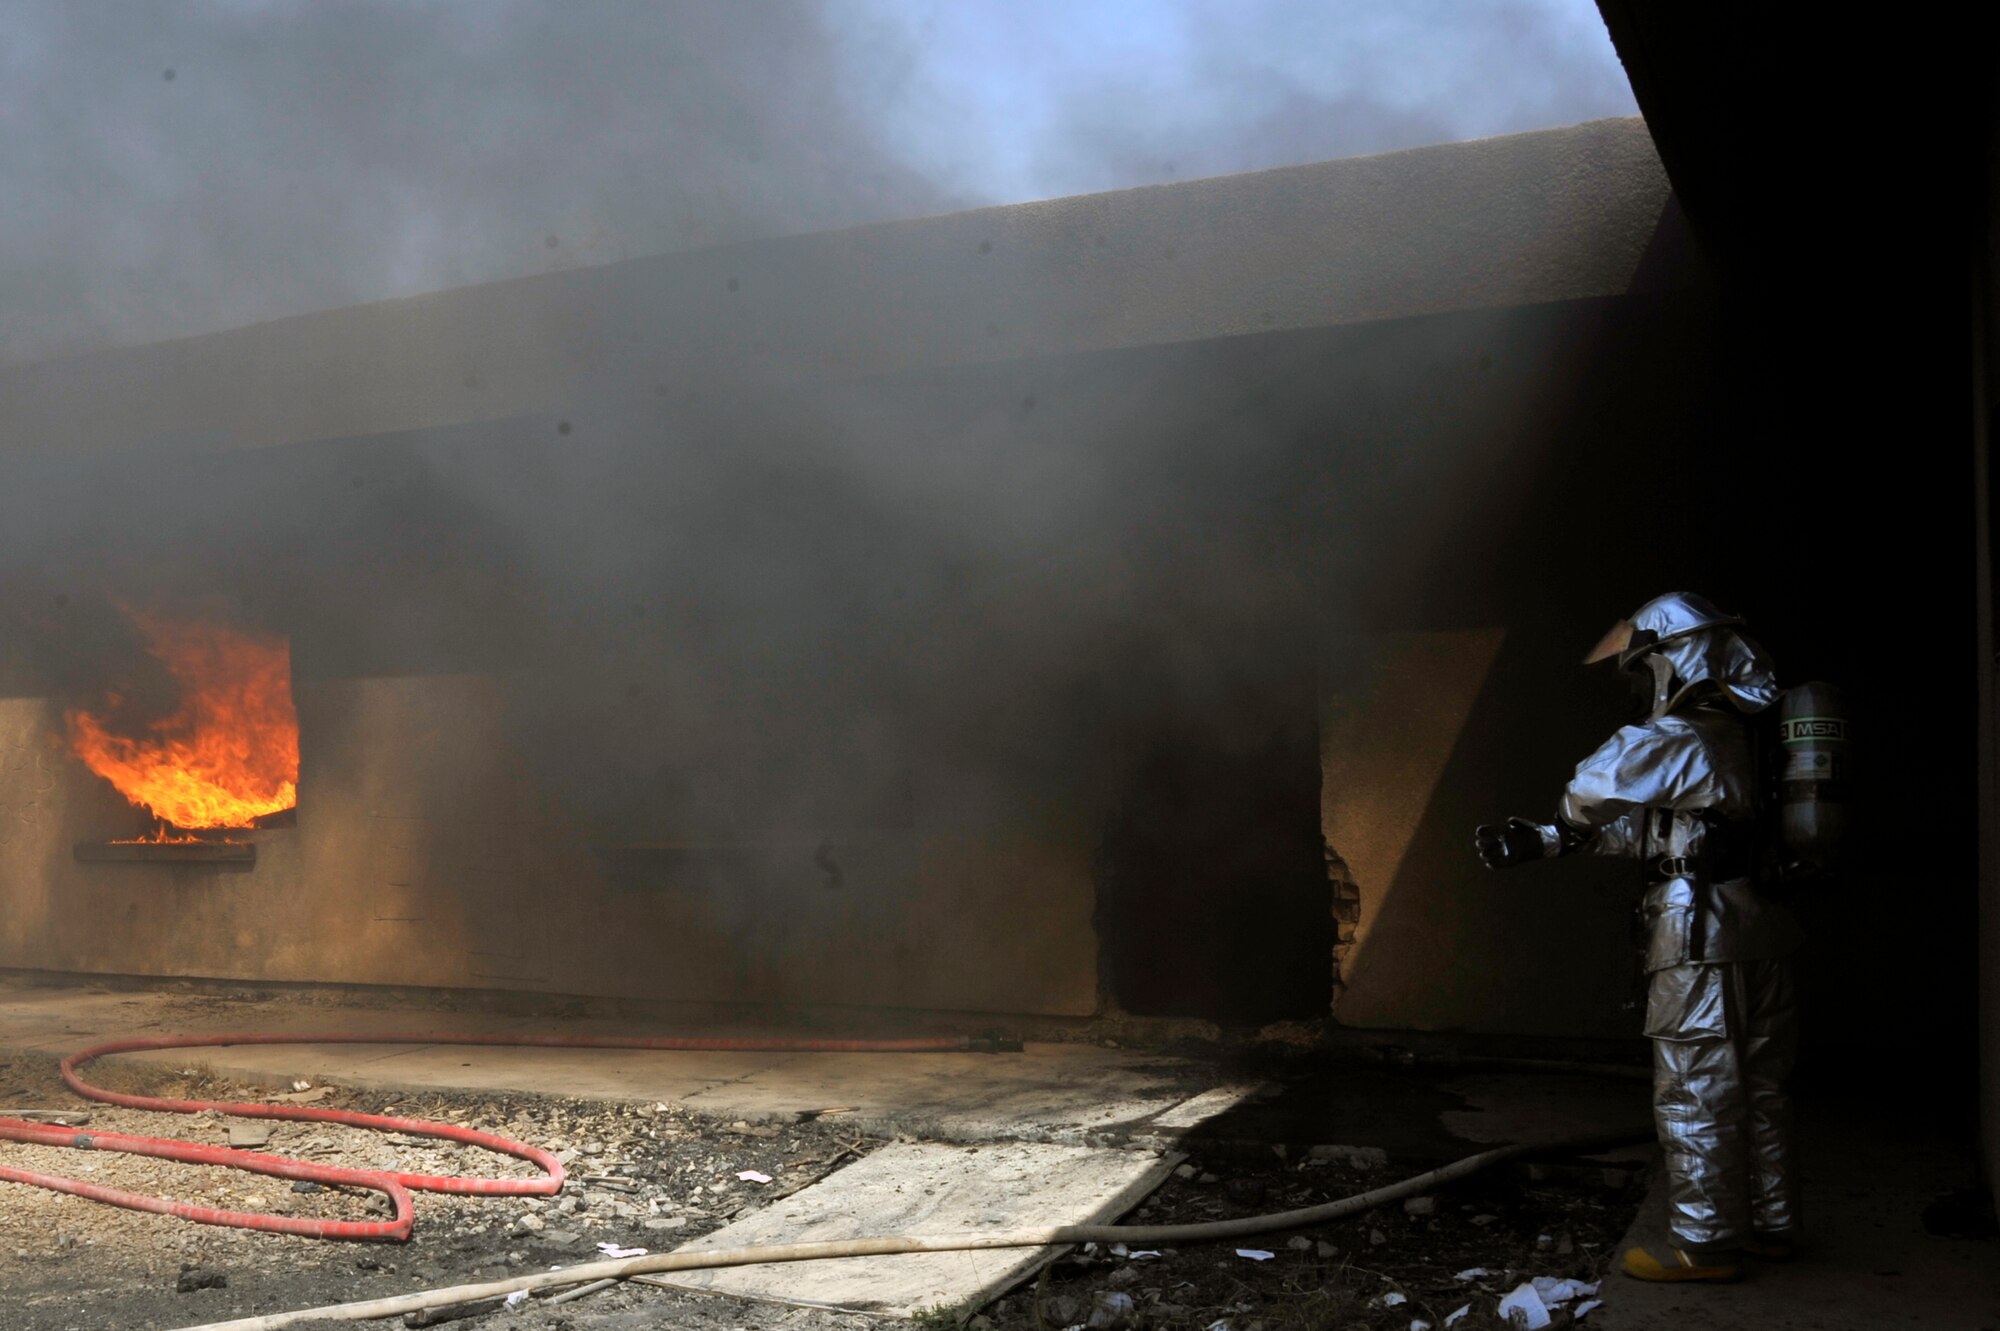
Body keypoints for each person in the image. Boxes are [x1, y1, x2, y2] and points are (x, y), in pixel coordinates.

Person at [1474, 592, 1803, 1283]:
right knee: (1761, 1088)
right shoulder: (1747, 740)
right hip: (1761, 929)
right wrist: (1549, 841)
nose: (1641, 684)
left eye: (1645, 668)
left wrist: (1568, 818)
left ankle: (1706, 1245)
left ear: (1673, 661)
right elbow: (1664, 834)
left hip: (1699, 938)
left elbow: (1591, 791)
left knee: (1696, 1090)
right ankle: (1772, 1226)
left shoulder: (1679, 737)